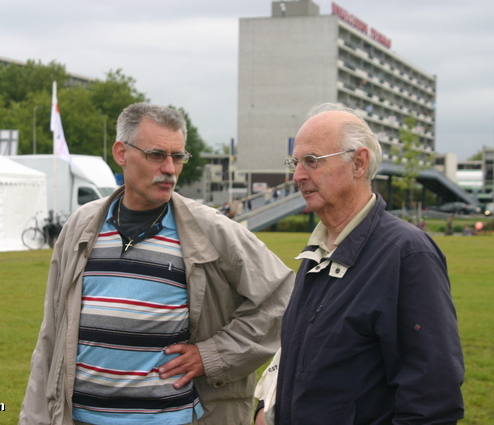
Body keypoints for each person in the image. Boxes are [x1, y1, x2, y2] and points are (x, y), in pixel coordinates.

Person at [19, 103, 295, 425]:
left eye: (178, 156)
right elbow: (51, 334)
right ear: (121, 153)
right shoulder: (82, 224)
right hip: (79, 417)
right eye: (156, 155)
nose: (170, 169)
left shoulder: (211, 229)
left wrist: (214, 354)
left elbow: (282, 297)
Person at [255, 103, 464, 424]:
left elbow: (432, 396)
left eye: (311, 161)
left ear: (359, 163)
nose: (297, 175)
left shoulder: (407, 255)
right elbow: (300, 357)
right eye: (295, 162)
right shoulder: (317, 253)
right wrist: (268, 409)